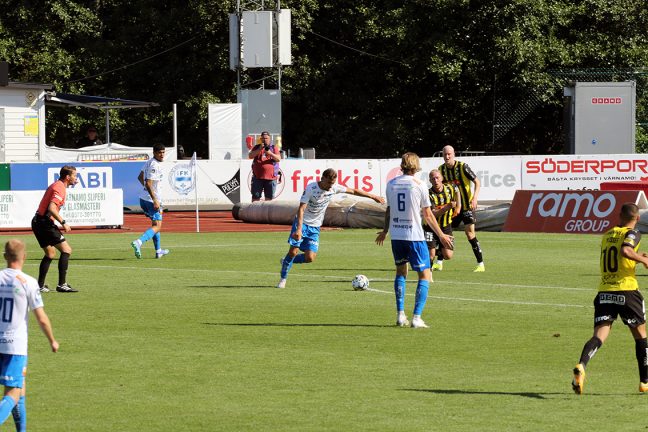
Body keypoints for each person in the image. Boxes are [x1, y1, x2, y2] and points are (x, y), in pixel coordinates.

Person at [571, 203, 648, 395]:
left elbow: (622, 255)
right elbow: (625, 251)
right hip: (627, 291)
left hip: (605, 291)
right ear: (637, 218)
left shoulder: (607, 235)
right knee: (641, 337)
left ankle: (582, 365)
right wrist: (644, 260)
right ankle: (645, 383)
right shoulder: (634, 233)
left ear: (619, 216)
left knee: (599, 336)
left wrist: (637, 256)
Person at [376, 153, 453, 328]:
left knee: (401, 272)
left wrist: (385, 231)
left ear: (402, 166)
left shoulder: (391, 184)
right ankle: (417, 318)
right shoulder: (420, 185)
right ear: (416, 167)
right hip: (415, 237)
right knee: (424, 275)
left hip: (397, 236)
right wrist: (441, 235)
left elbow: (389, 210)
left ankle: (400, 315)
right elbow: (428, 215)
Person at [277, 168, 385, 289]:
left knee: (310, 258)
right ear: (322, 178)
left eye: (332, 183)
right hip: (302, 223)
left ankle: (286, 260)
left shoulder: (334, 188)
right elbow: (301, 209)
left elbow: (353, 191)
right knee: (293, 251)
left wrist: (373, 196)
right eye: (328, 183)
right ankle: (283, 278)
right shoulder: (311, 188)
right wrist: (299, 229)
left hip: (315, 226)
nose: (330, 186)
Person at [0, 239, 59, 429]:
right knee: (13, 393)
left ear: (4, 256)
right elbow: (41, 318)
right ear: (24, 257)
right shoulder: (29, 283)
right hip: (14, 346)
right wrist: (52, 340)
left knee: (20, 390)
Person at [31, 165, 79, 293]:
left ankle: (39, 286)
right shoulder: (60, 187)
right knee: (67, 250)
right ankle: (62, 285)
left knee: (50, 253)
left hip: (37, 221)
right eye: (75, 175)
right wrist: (63, 223)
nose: (76, 178)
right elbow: (52, 208)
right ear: (68, 177)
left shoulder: (57, 185)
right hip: (44, 223)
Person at [438, 145, 485, 272]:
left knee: (469, 233)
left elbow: (477, 182)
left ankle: (480, 263)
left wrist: (474, 198)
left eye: (449, 154)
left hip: (466, 207)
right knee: (443, 231)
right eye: (445, 154)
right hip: (452, 208)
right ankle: (439, 261)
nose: (447, 157)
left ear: (454, 154)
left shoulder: (463, 167)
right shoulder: (441, 170)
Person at [131, 143, 170, 259]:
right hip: (151, 200)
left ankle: (158, 251)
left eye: (163, 152)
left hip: (144, 198)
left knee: (155, 225)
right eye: (159, 152)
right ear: (154, 153)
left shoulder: (149, 162)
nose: (162, 154)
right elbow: (148, 182)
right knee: (157, 226)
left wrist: (145, 190)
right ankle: (139, 242)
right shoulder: (154, 165)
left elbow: (140, 177)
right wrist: (155, 200)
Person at [427, 169, 459, 271]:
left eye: (437, 178)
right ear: (430, 181)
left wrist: (458, 206)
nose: (435, 181)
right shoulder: (428, 195)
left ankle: (424, 251)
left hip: (446, 226)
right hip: (430, 227)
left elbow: (457, 190)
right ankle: (428, 272)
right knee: (431, 255)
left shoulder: (450, 188)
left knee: (448, 255)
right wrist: (447, 207)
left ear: (442, 178)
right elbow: (433, 214)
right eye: (433, 179)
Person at [249, 131, 281, 202]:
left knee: (269, 199)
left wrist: (270, 153)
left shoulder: (273, 147)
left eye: (266, 138)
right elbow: (250, 156)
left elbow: (278, 159)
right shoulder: (257, 147)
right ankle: (255, 212)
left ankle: (267, 213)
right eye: (263, 138)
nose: (264, 140)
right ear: (261, 139)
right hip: (257, 178)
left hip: (271, 178)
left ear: (269, 139)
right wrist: (259, 149)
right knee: (255, 198)